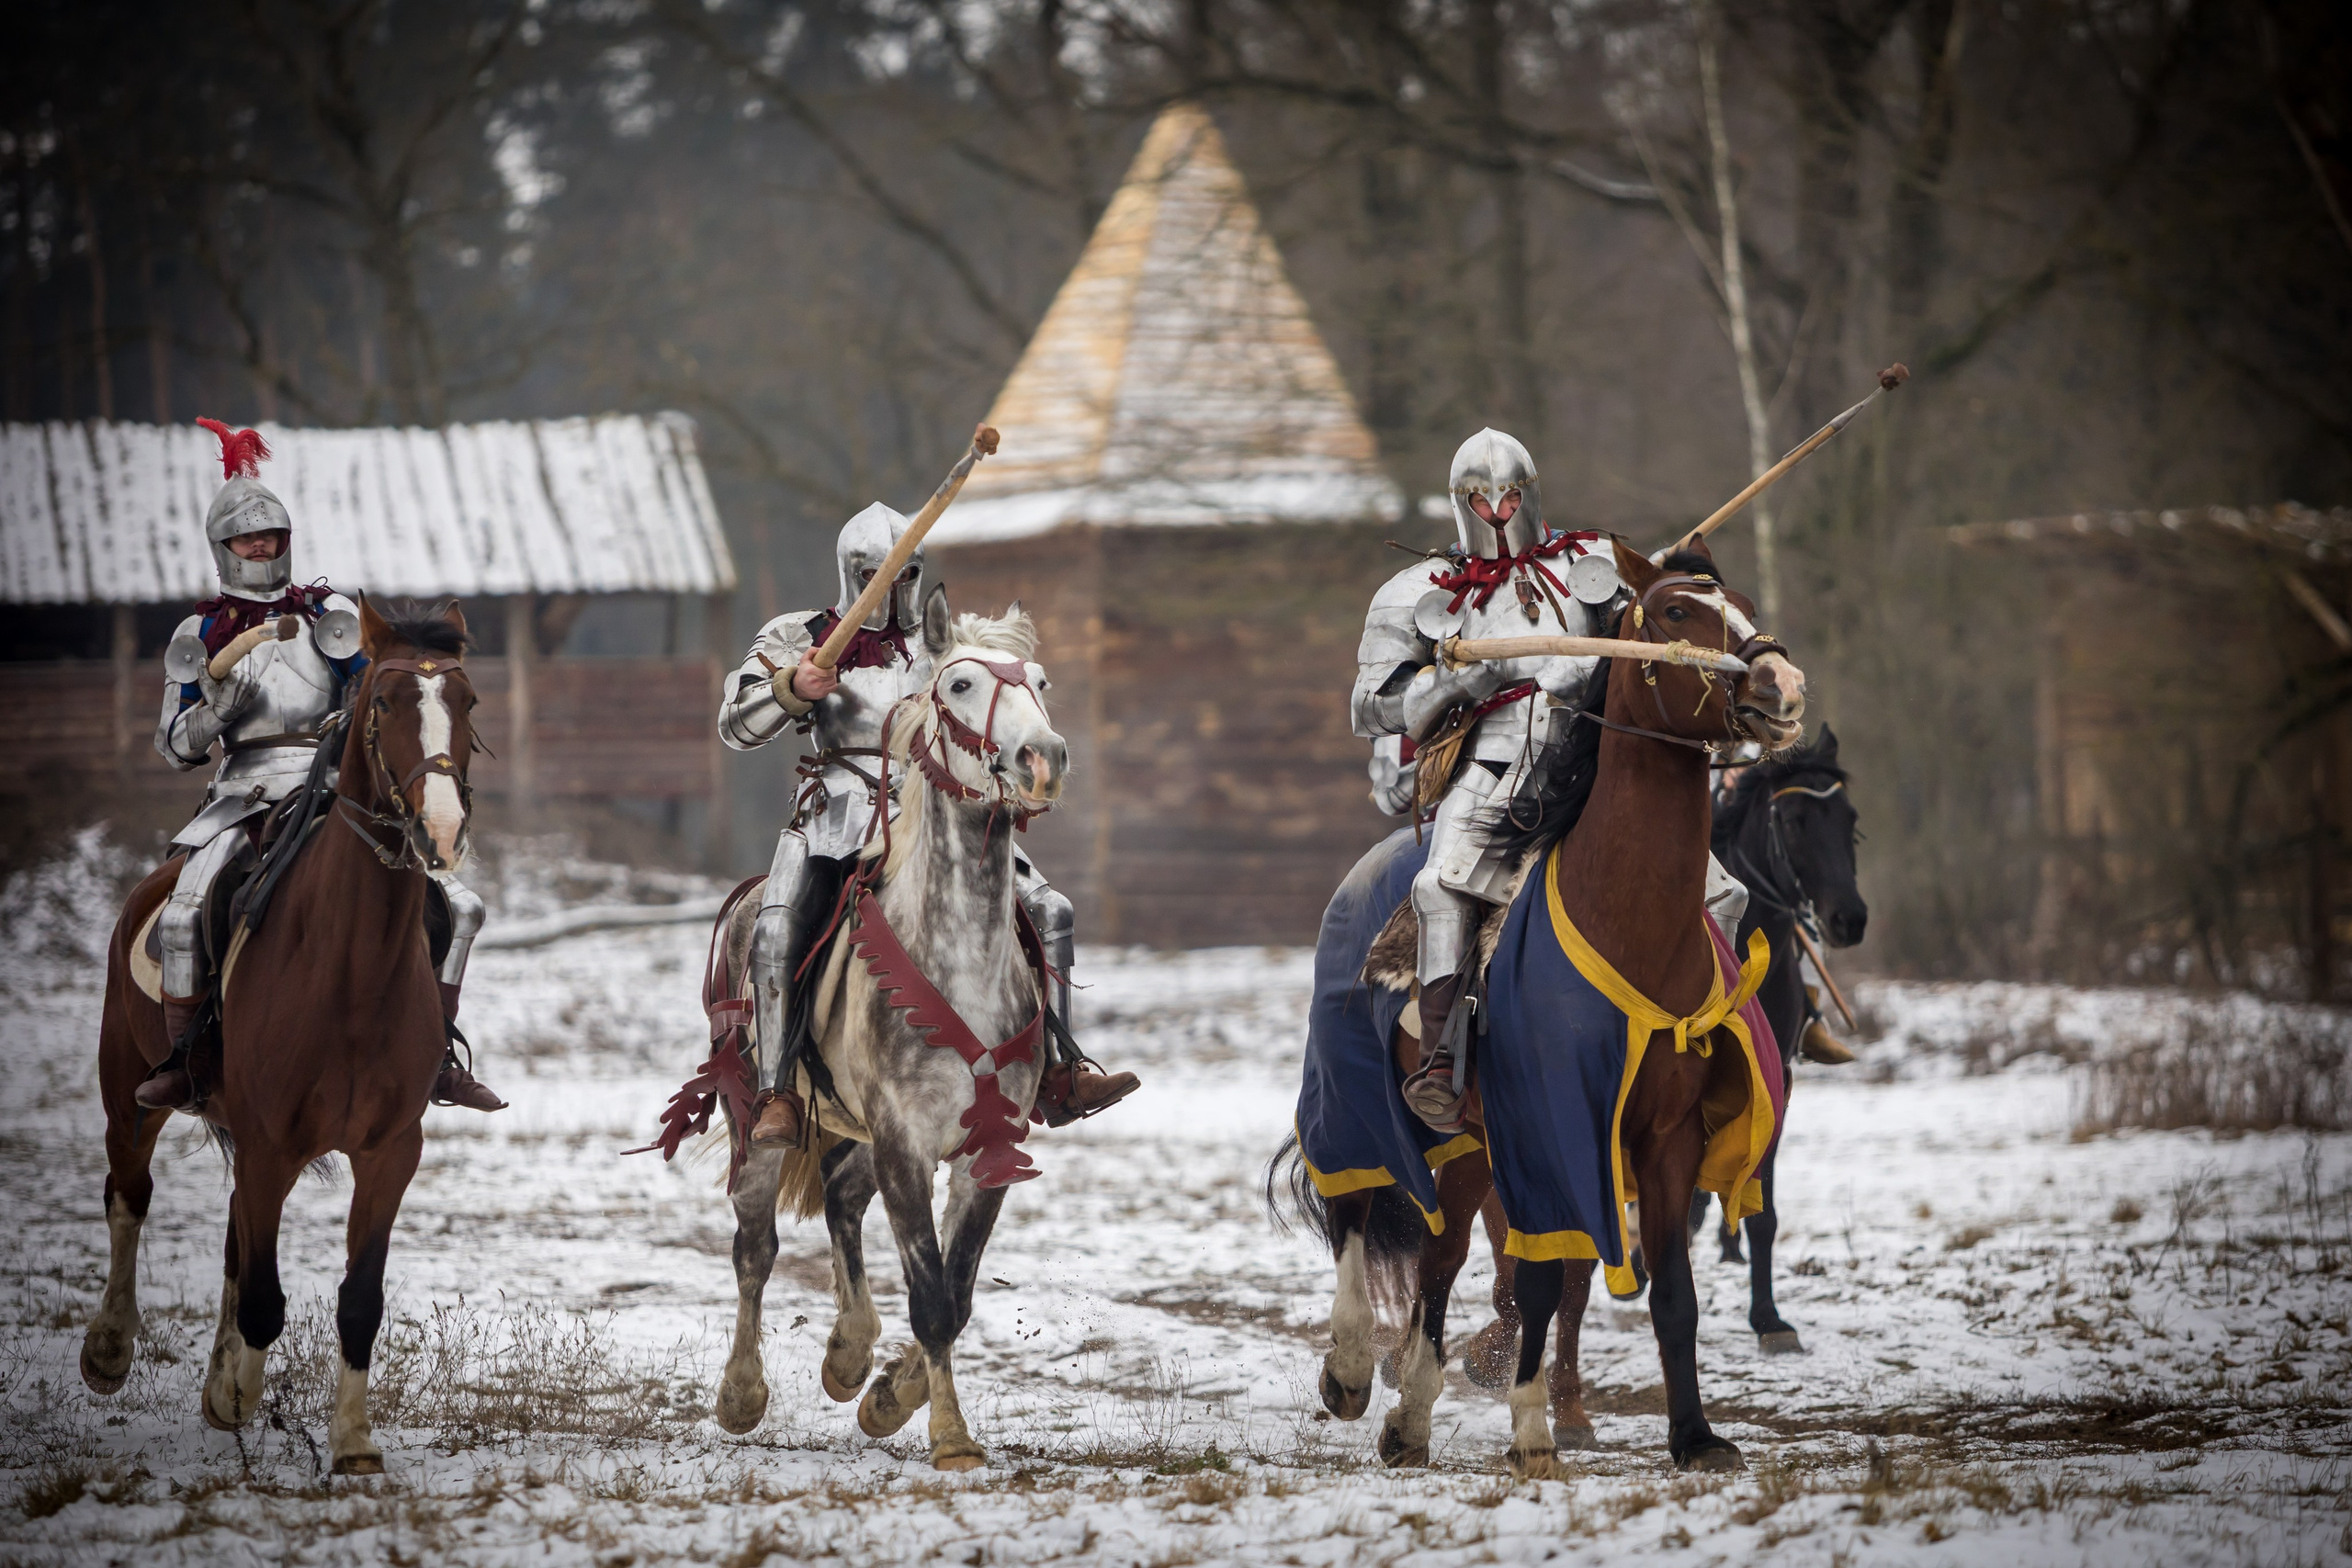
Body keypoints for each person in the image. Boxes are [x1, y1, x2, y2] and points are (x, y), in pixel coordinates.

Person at [1351, 429, 1752, 1130]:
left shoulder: (1593, 561)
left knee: (1722, 889)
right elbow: (1372, 707)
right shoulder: (1418, 591)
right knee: (1440, 884)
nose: (1500, 509)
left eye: (1511, 494)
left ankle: (1708, 1038)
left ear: (1530, 492)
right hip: (1493, 763)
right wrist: (1465, 675)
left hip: (1597, 760)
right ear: (1461, 503)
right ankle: (1444, 1058)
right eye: (1482, 498)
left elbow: (1660, 618)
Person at [717, 502, 1138, 1148]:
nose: (893, 591)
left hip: (934, 814)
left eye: (905, 576)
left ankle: (1061, 1070)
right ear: (850, 573)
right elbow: (735, 727)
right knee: (775, 927)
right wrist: (791, 689)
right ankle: (778, 1090)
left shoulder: (946, 650)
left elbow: (996, 713)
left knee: (1051, 909)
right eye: (877, 576)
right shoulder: (796, 634)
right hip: (834, 812)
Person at [141, 418, 503, 1114]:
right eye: (250, 538)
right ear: (225, 548)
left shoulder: (327, 618)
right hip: (241, 791)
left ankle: (439, 1054)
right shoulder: (199, 635)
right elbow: (176, 745)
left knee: (460, 905)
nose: (263, 547)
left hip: (333, 787)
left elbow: (380, 698)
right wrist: (221, 704)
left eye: (273, 537)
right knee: (186, 913)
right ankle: (190, 1061)